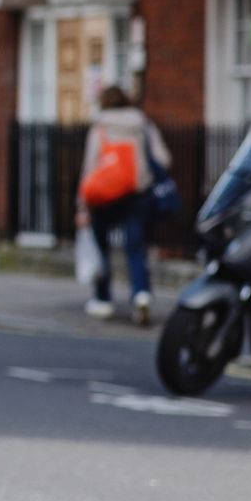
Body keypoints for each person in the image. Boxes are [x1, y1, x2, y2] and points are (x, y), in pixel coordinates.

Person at [77, 84, 172, 324]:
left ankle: (103, 299)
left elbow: (90, 167)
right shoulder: (142, 125)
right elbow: (163, 159)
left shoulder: (100, 127)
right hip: (136, 194)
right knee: (135, 247)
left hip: (104, 196)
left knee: (102, 248)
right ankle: (141, 294)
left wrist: (82, 206)